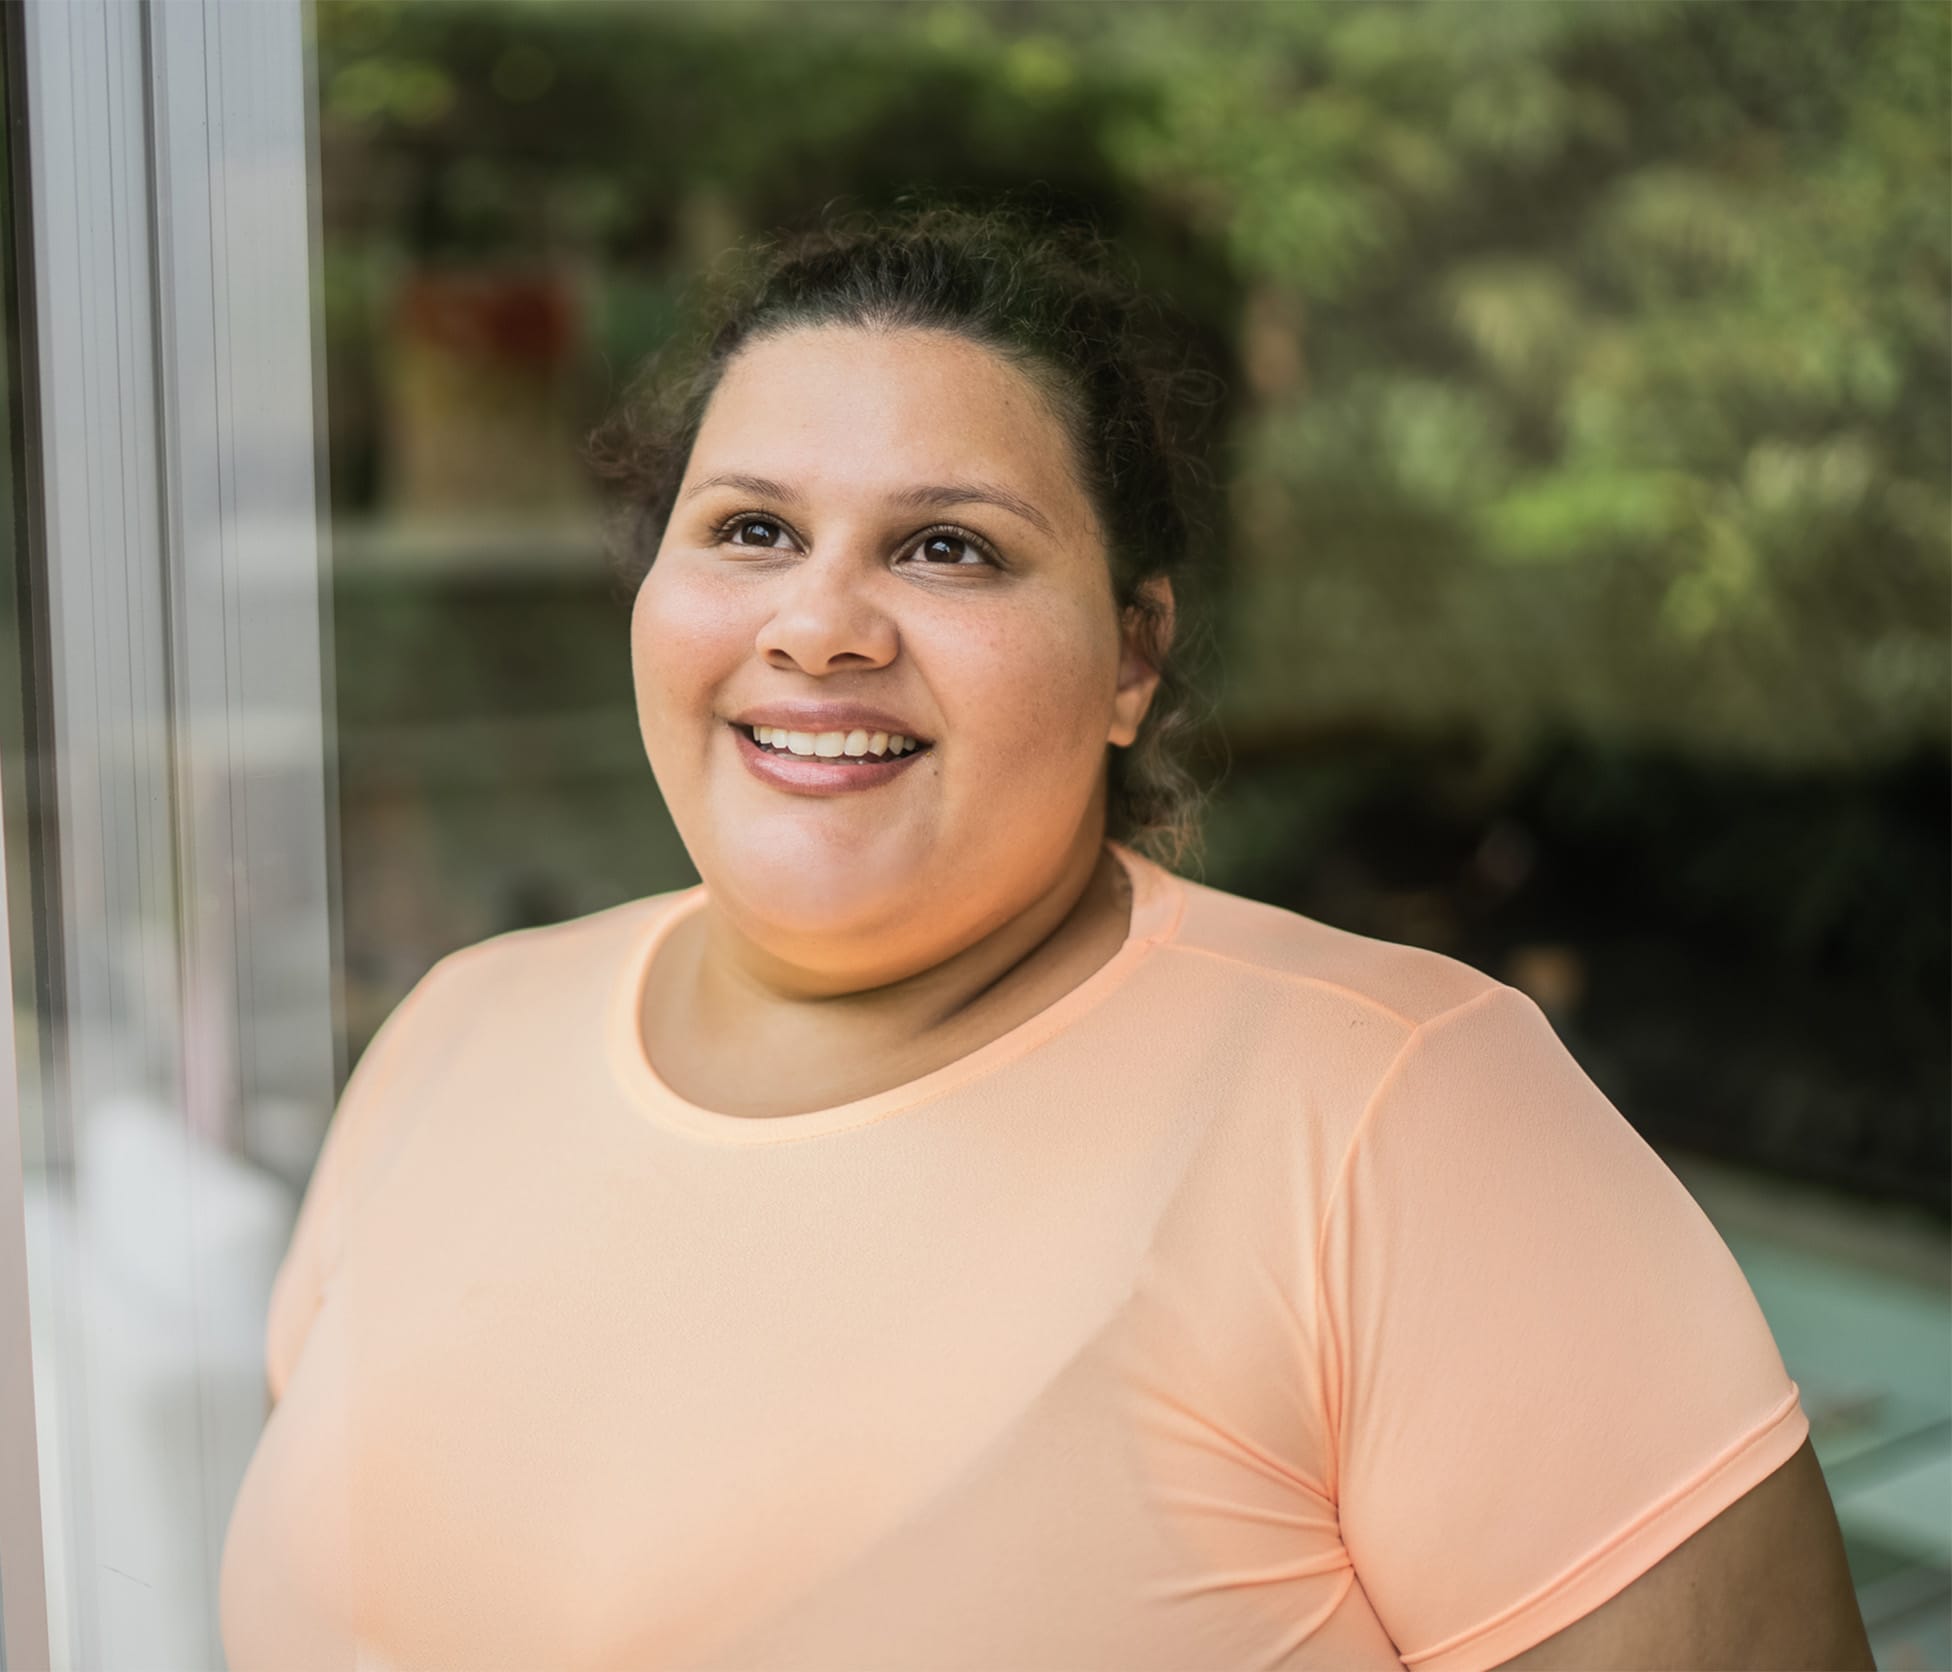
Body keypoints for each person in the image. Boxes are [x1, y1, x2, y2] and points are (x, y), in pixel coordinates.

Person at [218, 204, 1873, 1670]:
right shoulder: (458, 1031)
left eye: (948, 547)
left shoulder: (1401, 1116)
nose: (820, 624)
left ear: (1133, 655)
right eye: (750, 529)